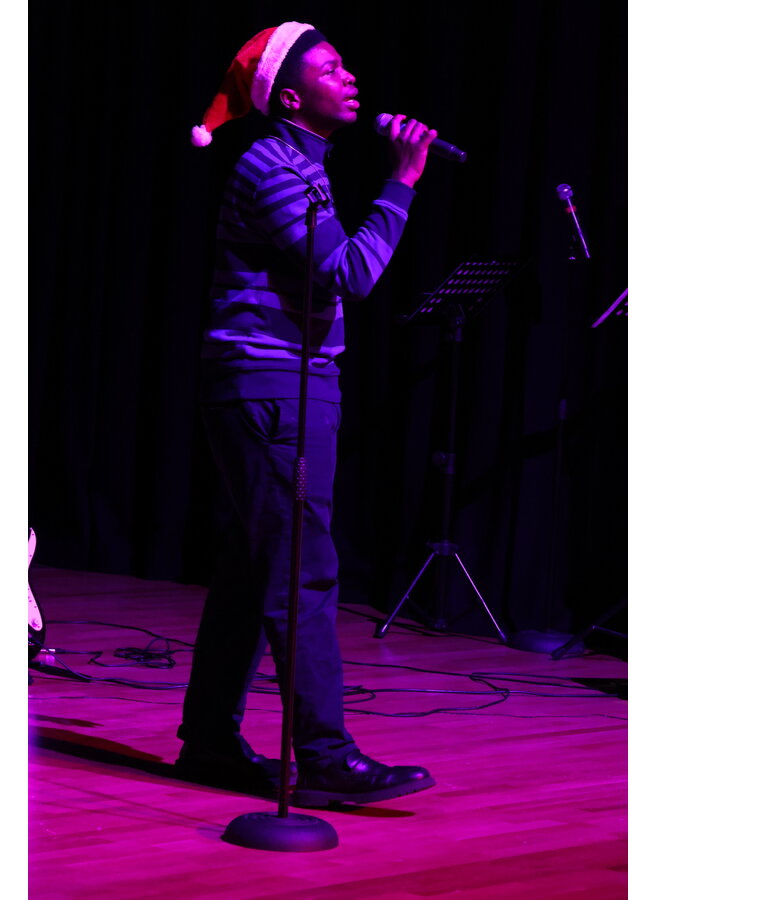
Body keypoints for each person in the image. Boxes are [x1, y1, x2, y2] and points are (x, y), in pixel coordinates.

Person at [175, 21, 439, 808]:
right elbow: (351, 273)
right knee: (302, 569)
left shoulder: (304, 165)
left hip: (285, 380)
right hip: (270, 385)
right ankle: (324, 755)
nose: (349, 77)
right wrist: (403, 182)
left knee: (252, 567)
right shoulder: (273, 165)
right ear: (290, 98)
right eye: (330, 69)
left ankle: (210, 740)